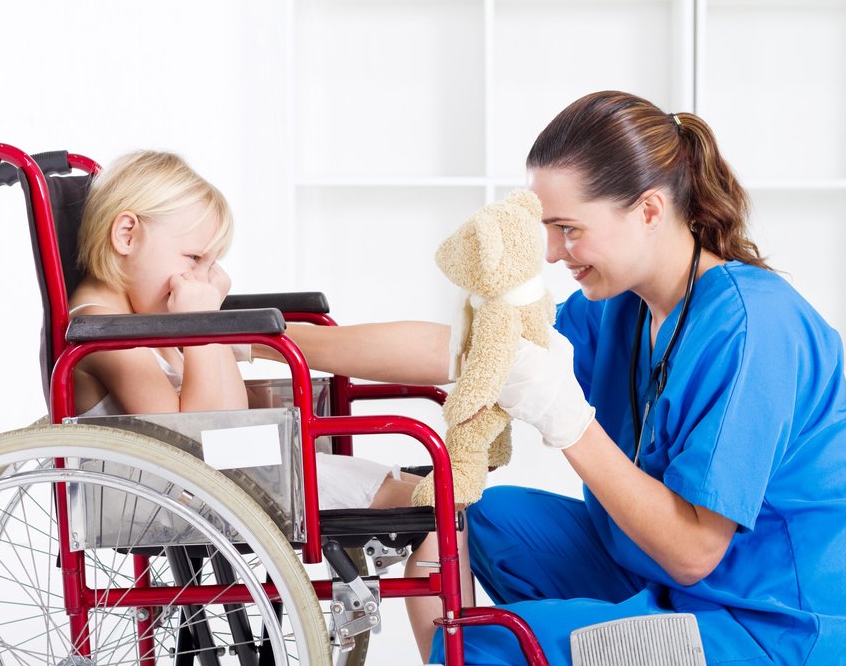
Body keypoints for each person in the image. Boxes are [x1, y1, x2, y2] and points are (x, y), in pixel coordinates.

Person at [272, 91, 846, 665]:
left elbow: (695, 551)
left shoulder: (750, 330)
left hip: (765, 623)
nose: (550, 253)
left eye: (568, 229)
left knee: (492, 645)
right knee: (479, 522)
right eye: (546, 228)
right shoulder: (623, 305)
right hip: (665, 575)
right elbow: (470, 350)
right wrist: (276, 343)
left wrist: (569, 424)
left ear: (649, 210)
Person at [69, 149, 422, 511]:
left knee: (429, 490)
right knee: (436, 499)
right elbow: (194, 444)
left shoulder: (135, 316)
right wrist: (201, 325)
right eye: (195, 258)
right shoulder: (106, 334)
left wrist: (207, 326)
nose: (211, 278)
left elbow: (228, 417)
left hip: (233, 480)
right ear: (127, 235)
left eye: (212, 262)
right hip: (202, 493)